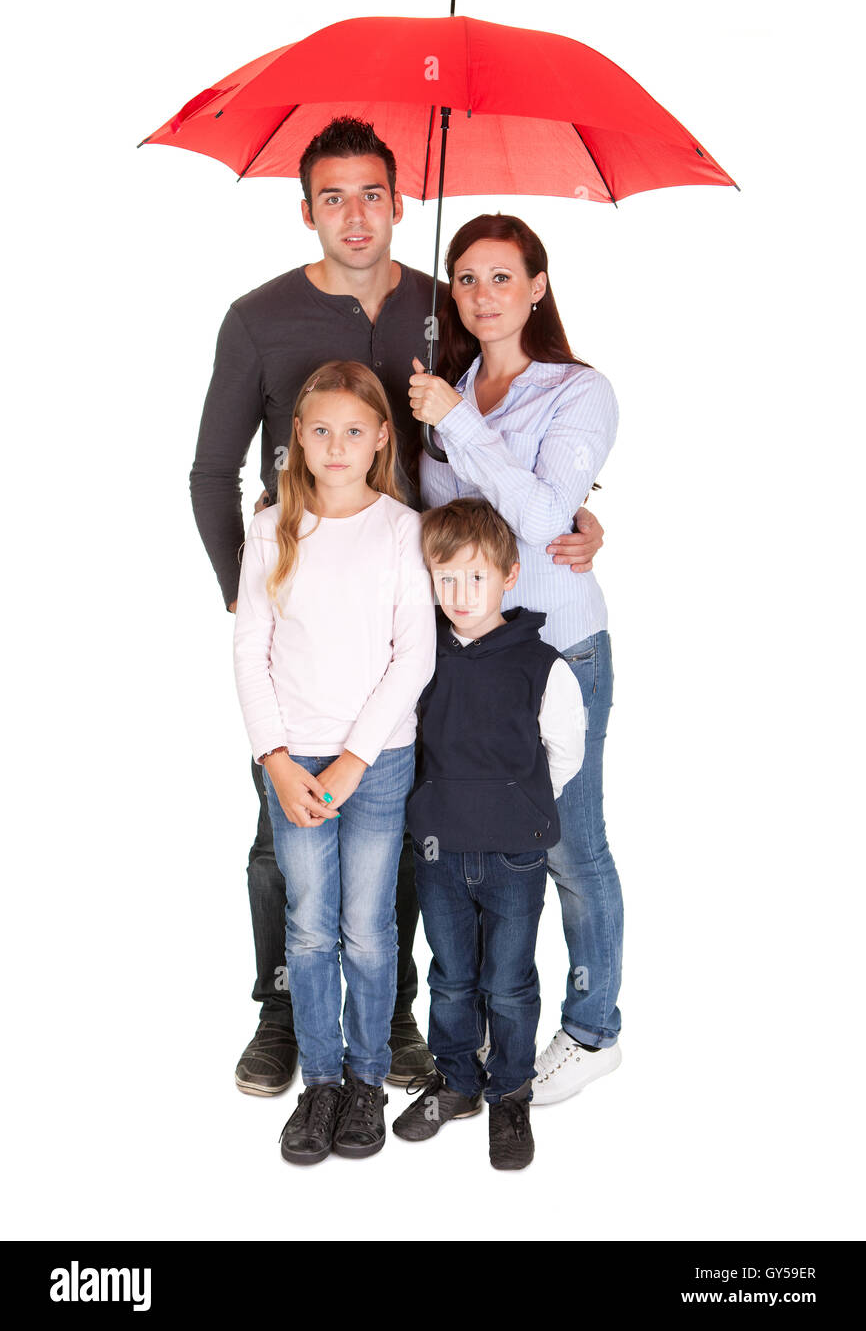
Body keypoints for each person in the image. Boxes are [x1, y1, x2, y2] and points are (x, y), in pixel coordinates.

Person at [190, 120, 606, 1094]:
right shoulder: (258, 318)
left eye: (371, 193)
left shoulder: (440, 299)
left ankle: (393, 1011)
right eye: (331, 197)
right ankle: (284, 1008)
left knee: (414, 812)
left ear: (399, 202)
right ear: (306, 211)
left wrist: (579, 514)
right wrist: (254, 597)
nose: (355, 215)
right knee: (280, 826)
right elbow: (212, 471)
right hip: (301, 624)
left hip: (431, 618)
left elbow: (504, 424)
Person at [409, 213, 624, 1104]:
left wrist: (460, 423)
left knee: (569, 845)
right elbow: (447, 535)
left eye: (503, 277)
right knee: (473, 850)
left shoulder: (578, 390)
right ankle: (474, 1027)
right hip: (463, 660)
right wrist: (449, 414)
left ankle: (592, 1028)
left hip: (556, 648)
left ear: (538, 287)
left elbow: (538, 523)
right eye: (466, 278)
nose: (483, 295)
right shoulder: (443, 388)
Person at [233, 360, 435, 1164]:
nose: (337, 444)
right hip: (293, 756)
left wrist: (354, 759)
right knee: (309, 927)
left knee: (368, 927)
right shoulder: (272, 527)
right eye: (321, 430)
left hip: (377, 759)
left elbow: (413, 655)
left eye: (355, 430)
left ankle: (365, 1080)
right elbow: (251, 650)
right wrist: (277, 761)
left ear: (383, 437)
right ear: (298, 441)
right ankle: (319, 1080)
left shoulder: (402, 529)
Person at [393, 498, 584, 1169]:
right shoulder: (421, 658)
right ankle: (456, 1083)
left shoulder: (540, 663)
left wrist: (517, 810)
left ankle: (510, 1092)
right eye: (445, 579)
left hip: (514, 856)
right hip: (441, 853)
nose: (460, 595)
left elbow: (564, 750)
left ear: (509, 574)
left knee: (507, 981)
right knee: (450, 977)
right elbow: (408, 745)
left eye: (475, 578)